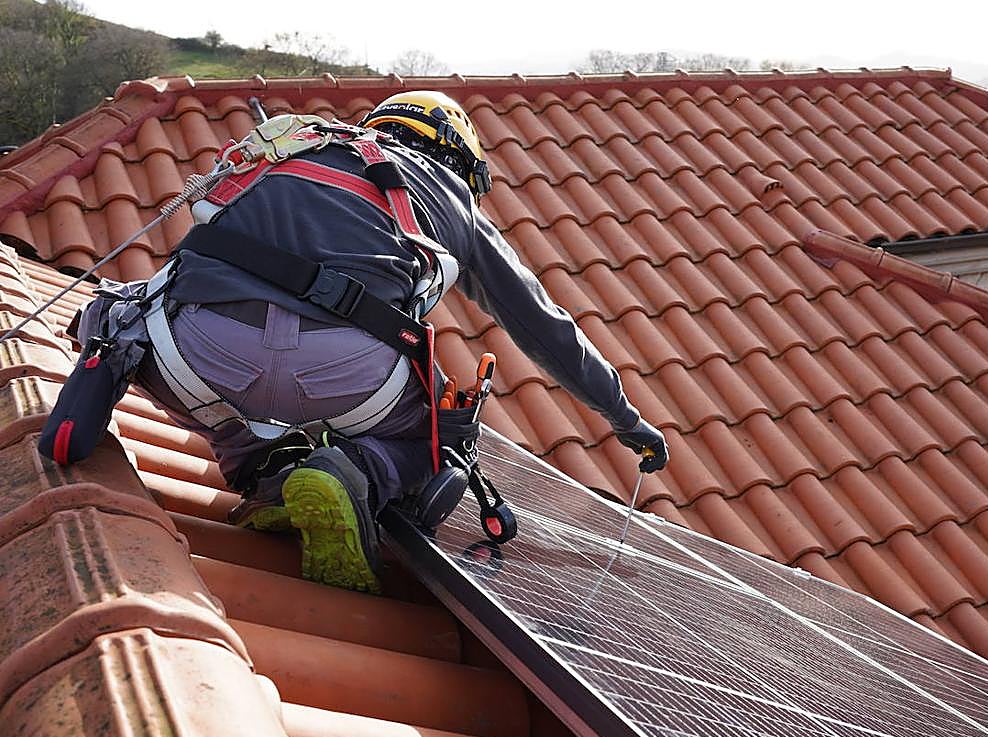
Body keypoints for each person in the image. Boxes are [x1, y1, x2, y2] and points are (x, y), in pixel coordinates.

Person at [53, 91, 668, 595]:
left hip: (199, 355)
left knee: (123, 319)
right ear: (456, 158)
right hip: (352, 380)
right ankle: (358, 473)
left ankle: (130, 421)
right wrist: (626, 418)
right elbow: (545, 328)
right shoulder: (449, 198)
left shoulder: (289, 149)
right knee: (441, 435)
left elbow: (181, 261)